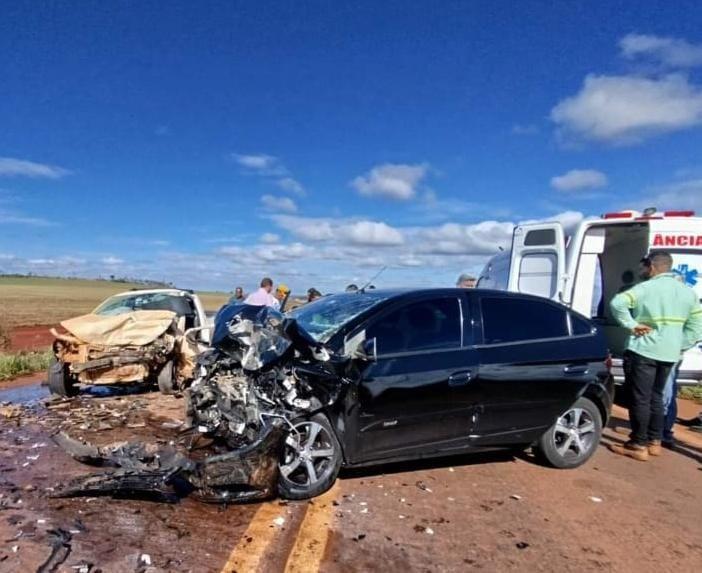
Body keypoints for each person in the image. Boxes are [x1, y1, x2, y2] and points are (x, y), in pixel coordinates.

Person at [608, 252, 702, 461]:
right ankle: (654, 441)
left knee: (640, 398)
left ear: (651, 266)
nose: (642, 271)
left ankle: (638, 444)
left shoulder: (646, 288)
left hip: (644, 349)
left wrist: (632, 325)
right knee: (657, 398)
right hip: (670, 353)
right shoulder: (688, 293)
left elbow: (617, 303)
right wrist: (680, 343)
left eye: (644, 267)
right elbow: (697, 326)